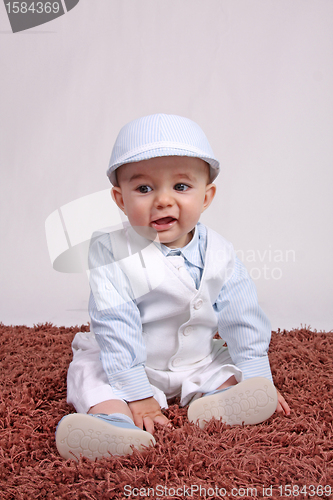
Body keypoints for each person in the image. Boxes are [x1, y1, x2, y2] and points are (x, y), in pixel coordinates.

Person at [56, 114, 290, 461]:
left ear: (207, 196)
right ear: (120, 200)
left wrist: (257, 374)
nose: (163, 201)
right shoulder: (110, 252)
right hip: (131, 360)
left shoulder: (221, 251)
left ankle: (216, 403)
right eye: (144, 189)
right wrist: (136, 393)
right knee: (92, 374)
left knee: (225, 370)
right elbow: (115, 323)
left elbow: (243, 315)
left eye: (181, 187)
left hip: (196, 358)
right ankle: (112, 421)